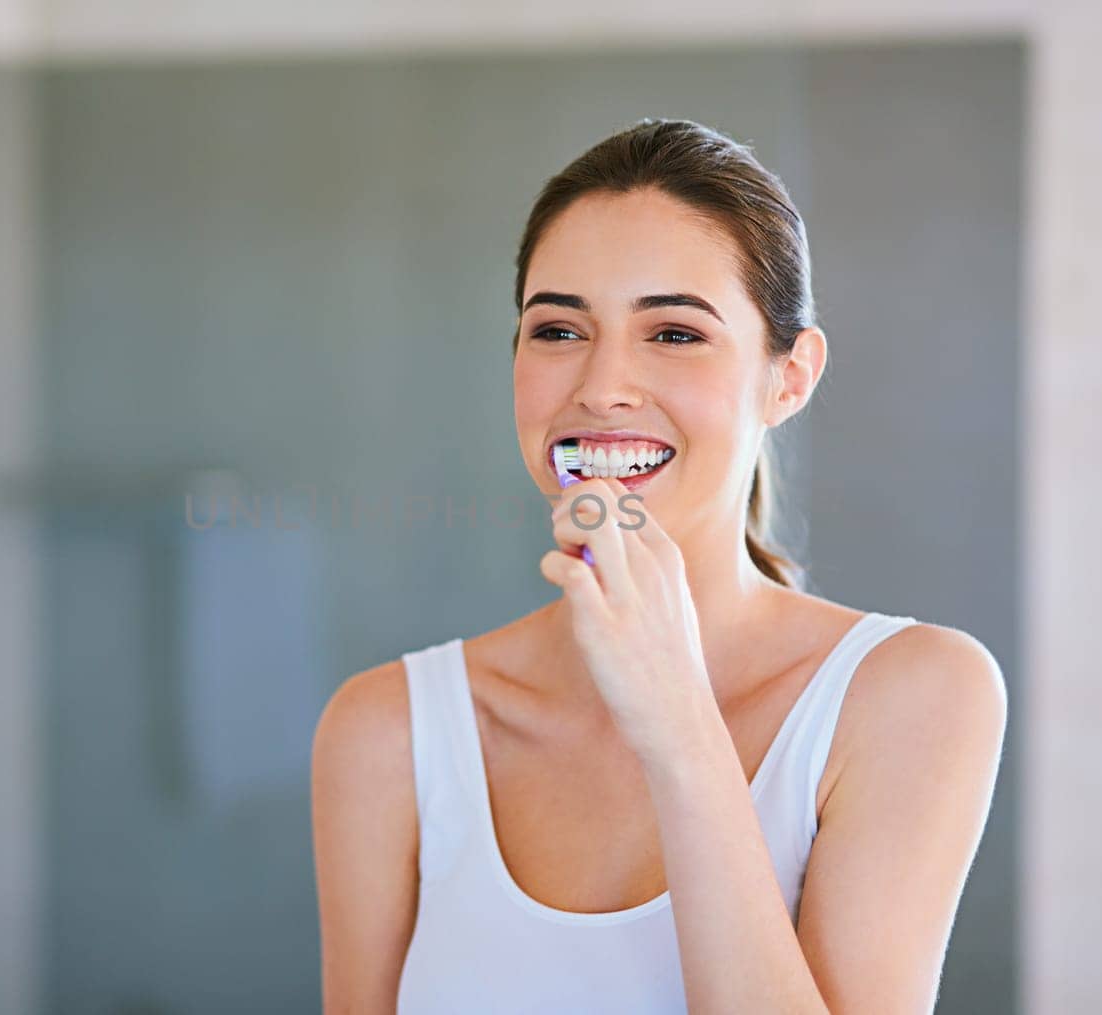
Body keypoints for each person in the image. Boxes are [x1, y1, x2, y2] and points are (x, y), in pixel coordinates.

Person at [310, 118, 1007, 1013]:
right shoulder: (384, 731)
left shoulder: (912, 696)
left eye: (674, 333)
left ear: (788, 378)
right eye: (558, 329)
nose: (600, 388)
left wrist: (677, 724)